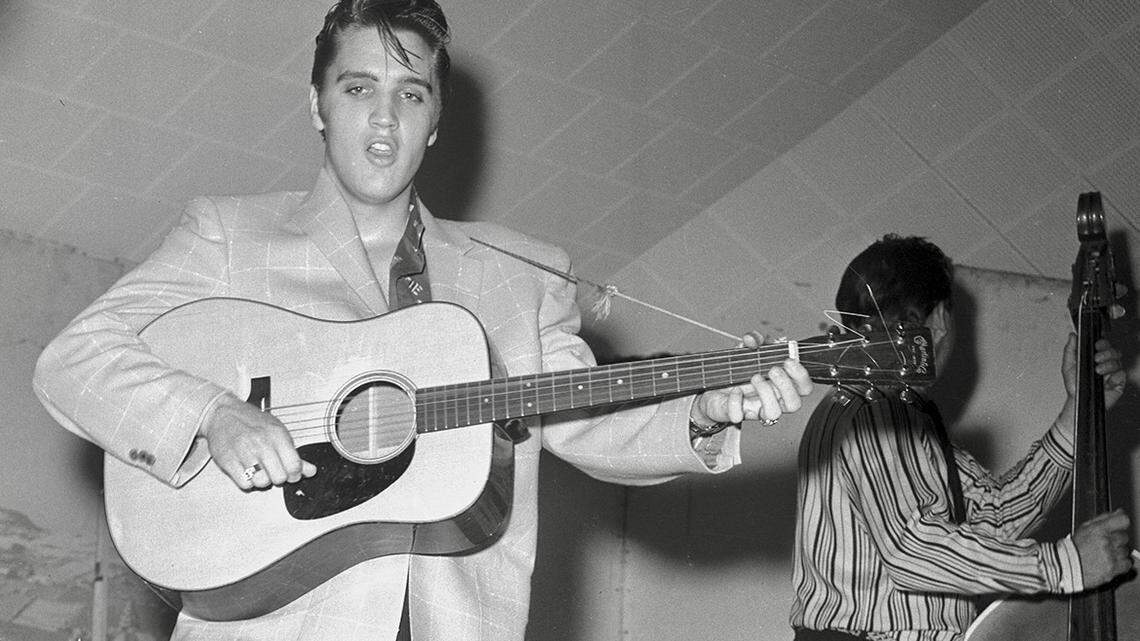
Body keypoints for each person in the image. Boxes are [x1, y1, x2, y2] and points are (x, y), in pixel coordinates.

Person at [32, 1, 814, 639]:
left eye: (410, 94)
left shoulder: (519, 274)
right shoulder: (229, 236)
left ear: (436, 119)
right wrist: (211, 413)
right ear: (316, 104)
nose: (383, 120)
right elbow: (74, 359)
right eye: (357, 88)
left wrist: (705, 411)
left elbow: (587, 417)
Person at [788, 234, 1133, 641]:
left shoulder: (898, 417)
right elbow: (911, 547)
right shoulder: (870, 407)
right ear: (938, 323)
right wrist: (1064, 564)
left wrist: (1078, 410)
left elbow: (995, 516)